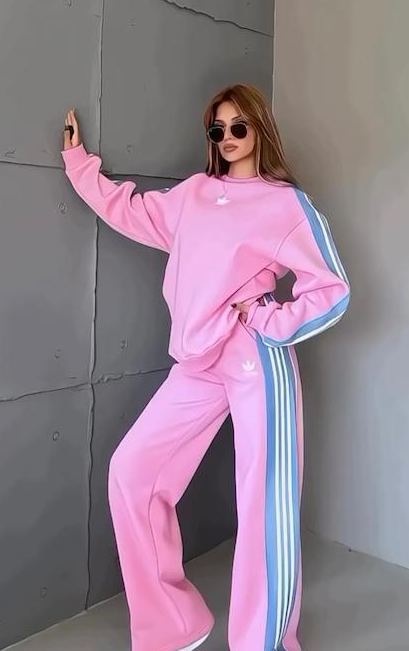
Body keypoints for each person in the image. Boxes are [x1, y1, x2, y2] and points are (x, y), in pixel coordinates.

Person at [61, 83, 350, 651]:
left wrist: (268, 320)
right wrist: (78, 164)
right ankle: (172, 625)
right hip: (197, 360)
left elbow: (332, 288)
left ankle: (264, 643)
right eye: (218, 129)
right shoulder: (192, 195)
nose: (228, 137)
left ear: (259, 129)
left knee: (264, 502)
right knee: (132, 472)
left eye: (239, 126)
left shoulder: (284, 203)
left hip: (256, 362)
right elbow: (128, 209)